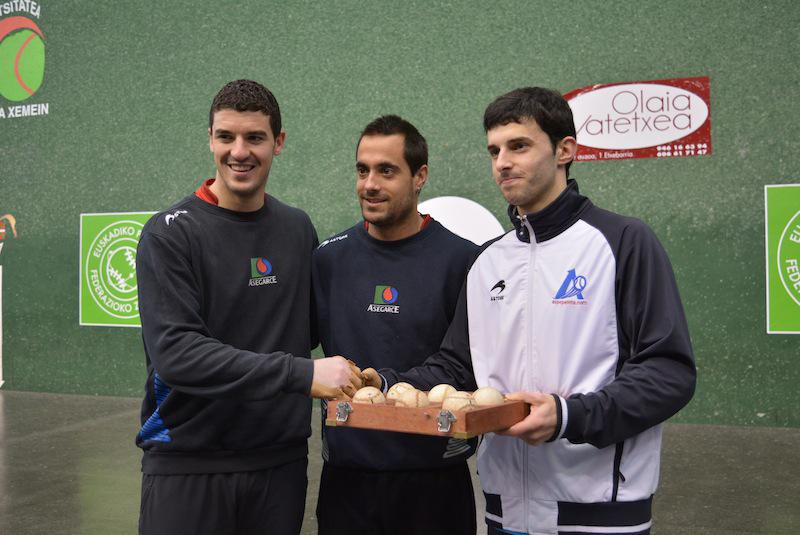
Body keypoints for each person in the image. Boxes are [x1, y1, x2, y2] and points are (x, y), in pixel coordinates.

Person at [365, 88, 696, 535]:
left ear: (565, 150)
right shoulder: (487, 262)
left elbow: (669, 372)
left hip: (600, 512)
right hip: (506, 512)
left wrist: (569, 416)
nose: (502, 162)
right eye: (494, 150)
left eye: (518, 146)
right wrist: (387, 384)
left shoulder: (623, 242)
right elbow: (458, 368)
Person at [135, 79, 361, 535]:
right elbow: (177, 354)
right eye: (226, 137)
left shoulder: (296, 228)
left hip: (280, 466)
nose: (239, 152)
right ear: (210, 139)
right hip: (188, 463)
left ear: (279, 142)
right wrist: (301, 374)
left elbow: (310, 330)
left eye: (255, 137)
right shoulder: (170, 233)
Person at [312, 115, 480, 535]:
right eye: (362, 170)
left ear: (419, 176)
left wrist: (386, 384)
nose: (369, 184)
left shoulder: (463, 260)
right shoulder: (328, 259)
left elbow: (463, 366)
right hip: (347, 481)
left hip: (435, 481)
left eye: (386, 171)